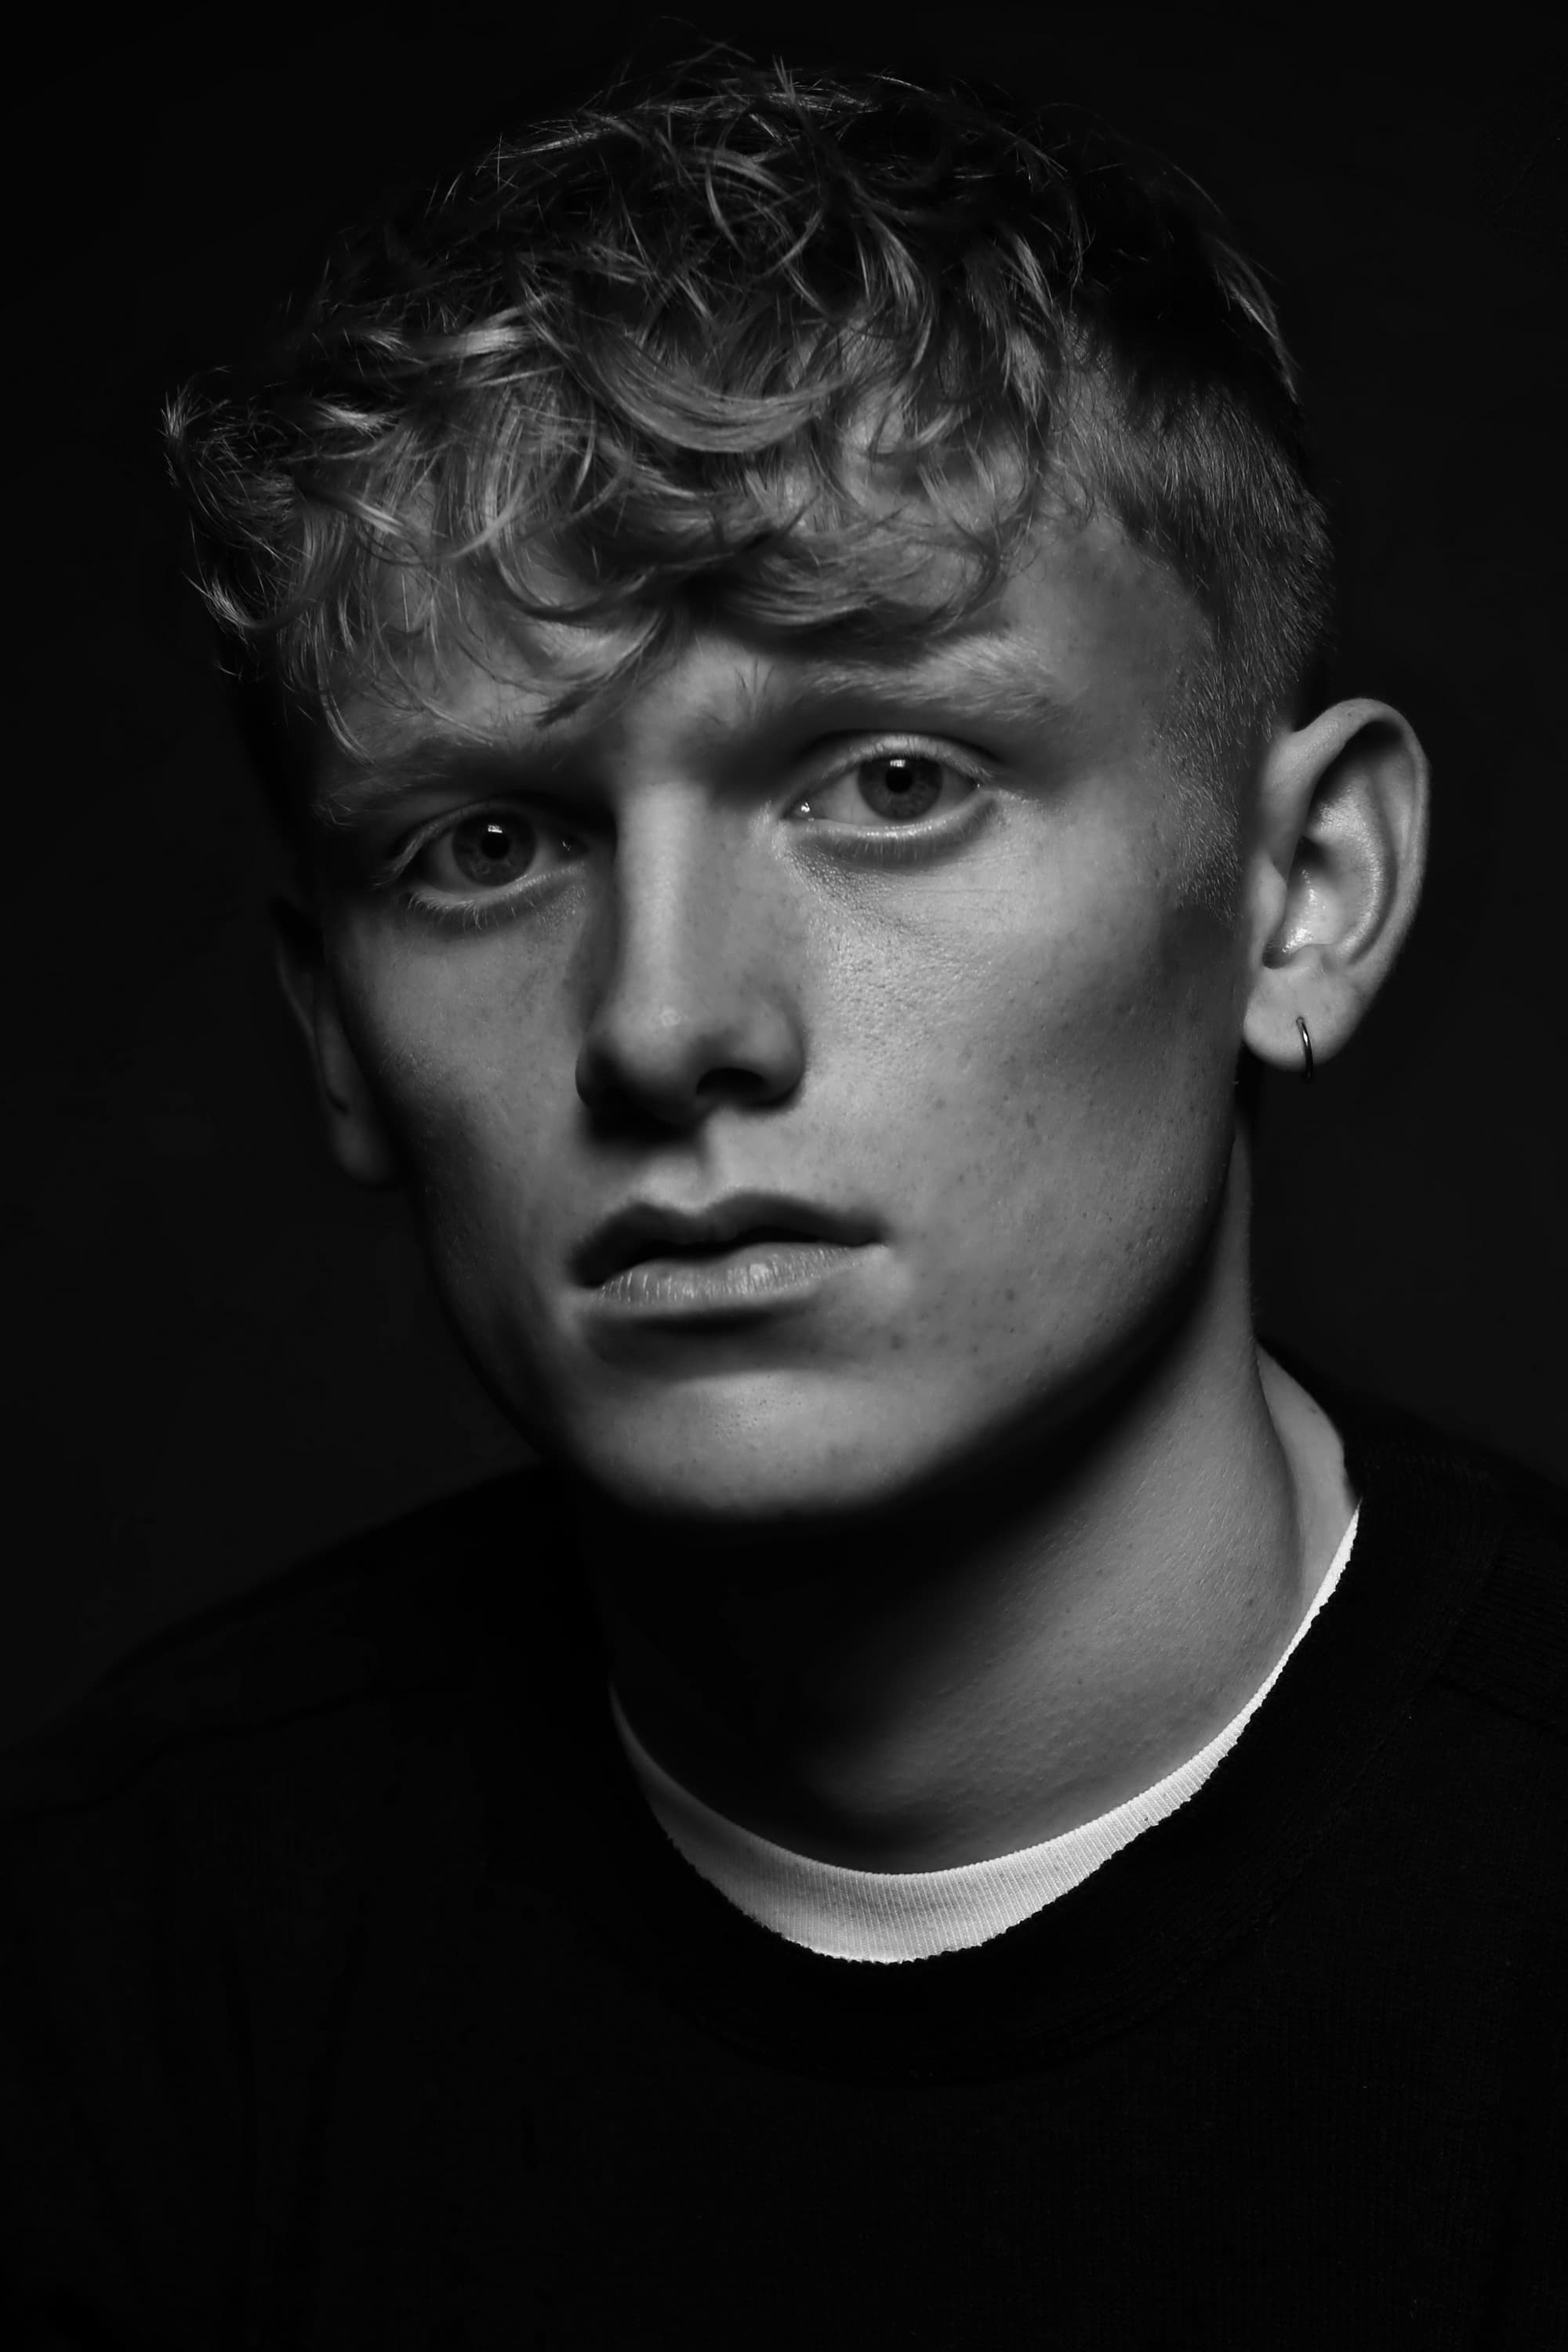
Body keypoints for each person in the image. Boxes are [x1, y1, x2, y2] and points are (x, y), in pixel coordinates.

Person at [2, 41, 1563, 2350]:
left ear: (1304, 894)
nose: (663, 1023)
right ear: (334, 1029)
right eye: (485, 846)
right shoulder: (119, 1971)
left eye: (895, 780)